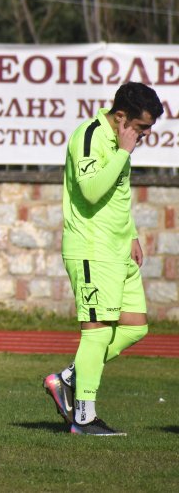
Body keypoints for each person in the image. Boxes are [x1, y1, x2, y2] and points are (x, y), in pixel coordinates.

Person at [43, 81, 163, 436]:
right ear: (121, 117)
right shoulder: (89, 135)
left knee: (135, 326)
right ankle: (83, 418)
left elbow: (119, 196)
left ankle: (67, 378)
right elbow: (93, 192)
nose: (142, 136)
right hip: (91, 249)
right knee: (96, 332)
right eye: (140, 128)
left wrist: (133, 235)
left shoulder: (121, 142)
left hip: (118, 249)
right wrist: (123, 153)